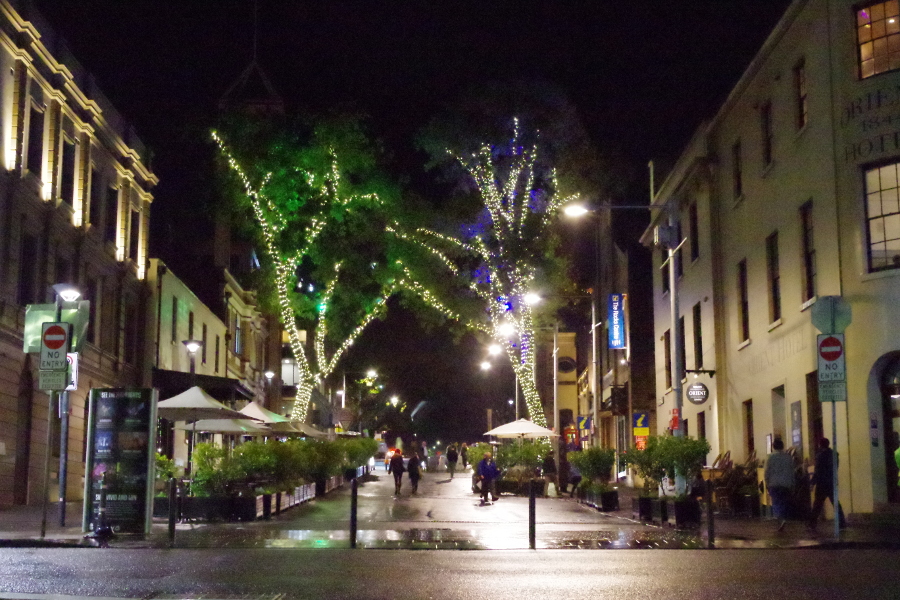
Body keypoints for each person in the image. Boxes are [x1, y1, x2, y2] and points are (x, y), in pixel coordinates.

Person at [809, 438, 847, 529]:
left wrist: (812, 482)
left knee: (817, 504)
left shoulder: (820, 456)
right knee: (835, 503)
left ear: (820, 445)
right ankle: (842, 523)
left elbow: (818, 471)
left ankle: (812, 524)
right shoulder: (834, 454)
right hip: (831, 481)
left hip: (822, 483)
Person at [764, 438, 794, 531]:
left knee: (776, 502)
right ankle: (784, 517)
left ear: (773, 447)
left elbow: (767, 471)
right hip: (786, 483)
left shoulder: (770, 457)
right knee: (784, 502)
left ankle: (780, 518)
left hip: (774, 483)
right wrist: (793, 483)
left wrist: (767, 482)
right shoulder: (788, 457)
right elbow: (791, 471)